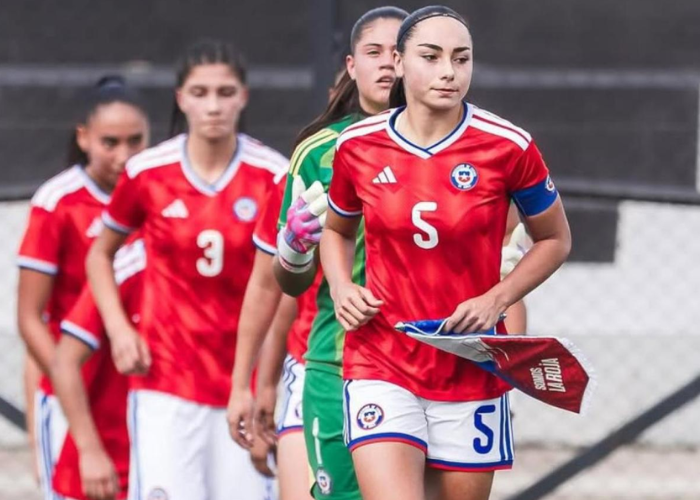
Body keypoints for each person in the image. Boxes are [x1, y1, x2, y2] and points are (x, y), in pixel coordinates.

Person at [321, 6, 572, 500]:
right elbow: (336, 231)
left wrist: (497, 299)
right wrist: (342, 285)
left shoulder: (509, 146)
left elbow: (555, 239)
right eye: (431, 57)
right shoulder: (358, 145)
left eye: (461, 58)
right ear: (399, 62)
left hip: (470, 362)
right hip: (382, 357)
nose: (448, 72)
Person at [86, 39, 286, 500]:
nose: (213, 106)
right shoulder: (147, 172)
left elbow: (284, 287)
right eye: (200, 93)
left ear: (243, 97)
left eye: (224, 92)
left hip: (242, 384)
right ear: (181, 99)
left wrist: (268, 382)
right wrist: (119, 329)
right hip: (165, 381)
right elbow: (99, 254)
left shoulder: (273, 175)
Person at [265, 7, 408, 500]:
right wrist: (294, 247)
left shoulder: (460, 147)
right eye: (373, 52)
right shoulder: (318, 151)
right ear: (351, 65)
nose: (387, 63)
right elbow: (287, 282)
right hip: (339, 358)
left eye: (398, 51)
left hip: (429, 363)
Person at [16, 76, 149, 500]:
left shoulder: (157, 192)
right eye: (110, 142)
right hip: (75, 383)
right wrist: (67, 378)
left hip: (141, 382)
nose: (123, 155)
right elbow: (29, 317)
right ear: (84, 137)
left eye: (135, 141)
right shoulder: (59, 201)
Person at [51, 239, 145, 500]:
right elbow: (63, 362)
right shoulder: (130, 264)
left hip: (177, 456)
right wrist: (90, 451)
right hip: (111, 468)